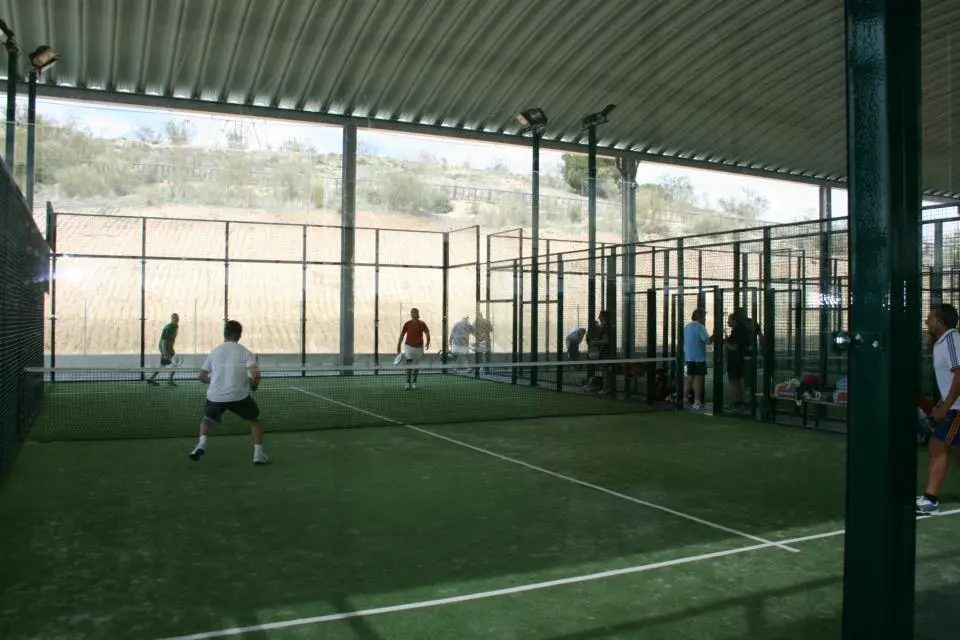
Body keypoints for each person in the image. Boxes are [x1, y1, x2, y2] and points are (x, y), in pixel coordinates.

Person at [189, 320, 267, 465]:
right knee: (255, 420)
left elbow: (201, 376)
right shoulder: (245, 352)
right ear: (239, 335)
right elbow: (255, 375)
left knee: (207, 420)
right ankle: (258, 455)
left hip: (215, 396)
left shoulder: (215, 351)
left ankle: (201, 445)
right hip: (239, 396)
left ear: (224, 334)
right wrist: (254, 386)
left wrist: (211, 381)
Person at [917, 303, 960, 515]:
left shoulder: (952, 340)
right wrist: (941, 403)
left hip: (958, 409)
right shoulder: (940, 343)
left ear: (941, 322)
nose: (927, 321)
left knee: (937, 445)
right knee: (955, 449)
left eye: (931, 318)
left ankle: (930, 499)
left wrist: (947, 406)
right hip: (953, 406)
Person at [683, 309, 713, 410]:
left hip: (688, 357)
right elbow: (708, 341)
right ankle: (697, 402)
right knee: (698, 379)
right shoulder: (700, 327)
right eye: (704, 317)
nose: (705, 319)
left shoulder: (687, 327)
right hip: (698, 358)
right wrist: (715, 335)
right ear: (699, 317)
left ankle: (684, 398)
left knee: (689, 378)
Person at [397, 308, 431, 390]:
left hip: (419, 348)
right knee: (409, 365)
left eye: (415, 312)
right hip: (408, 347)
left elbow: (427, 333)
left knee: (416, 366)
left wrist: (428, 342)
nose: (413, 314)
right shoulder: (407, 324)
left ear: (418, 314)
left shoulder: (422, 323)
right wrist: (398, 344)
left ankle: (414, 382)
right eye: (412, 312)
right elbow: (402, 335)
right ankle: (408, 382)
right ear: (411, 314)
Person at [147, 313, 179, 387]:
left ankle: (152, 378)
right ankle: (169, 380)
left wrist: (172, 348)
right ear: (172, 319)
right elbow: (163, 341)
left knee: (166, 364)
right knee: (171, 363)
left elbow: (171, 340)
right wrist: (164, 353)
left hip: (169, 349)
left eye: (177, 318)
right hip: (164, 348)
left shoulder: (176, 327)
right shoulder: (168, 328)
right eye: (174, 318)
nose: (177, 319)